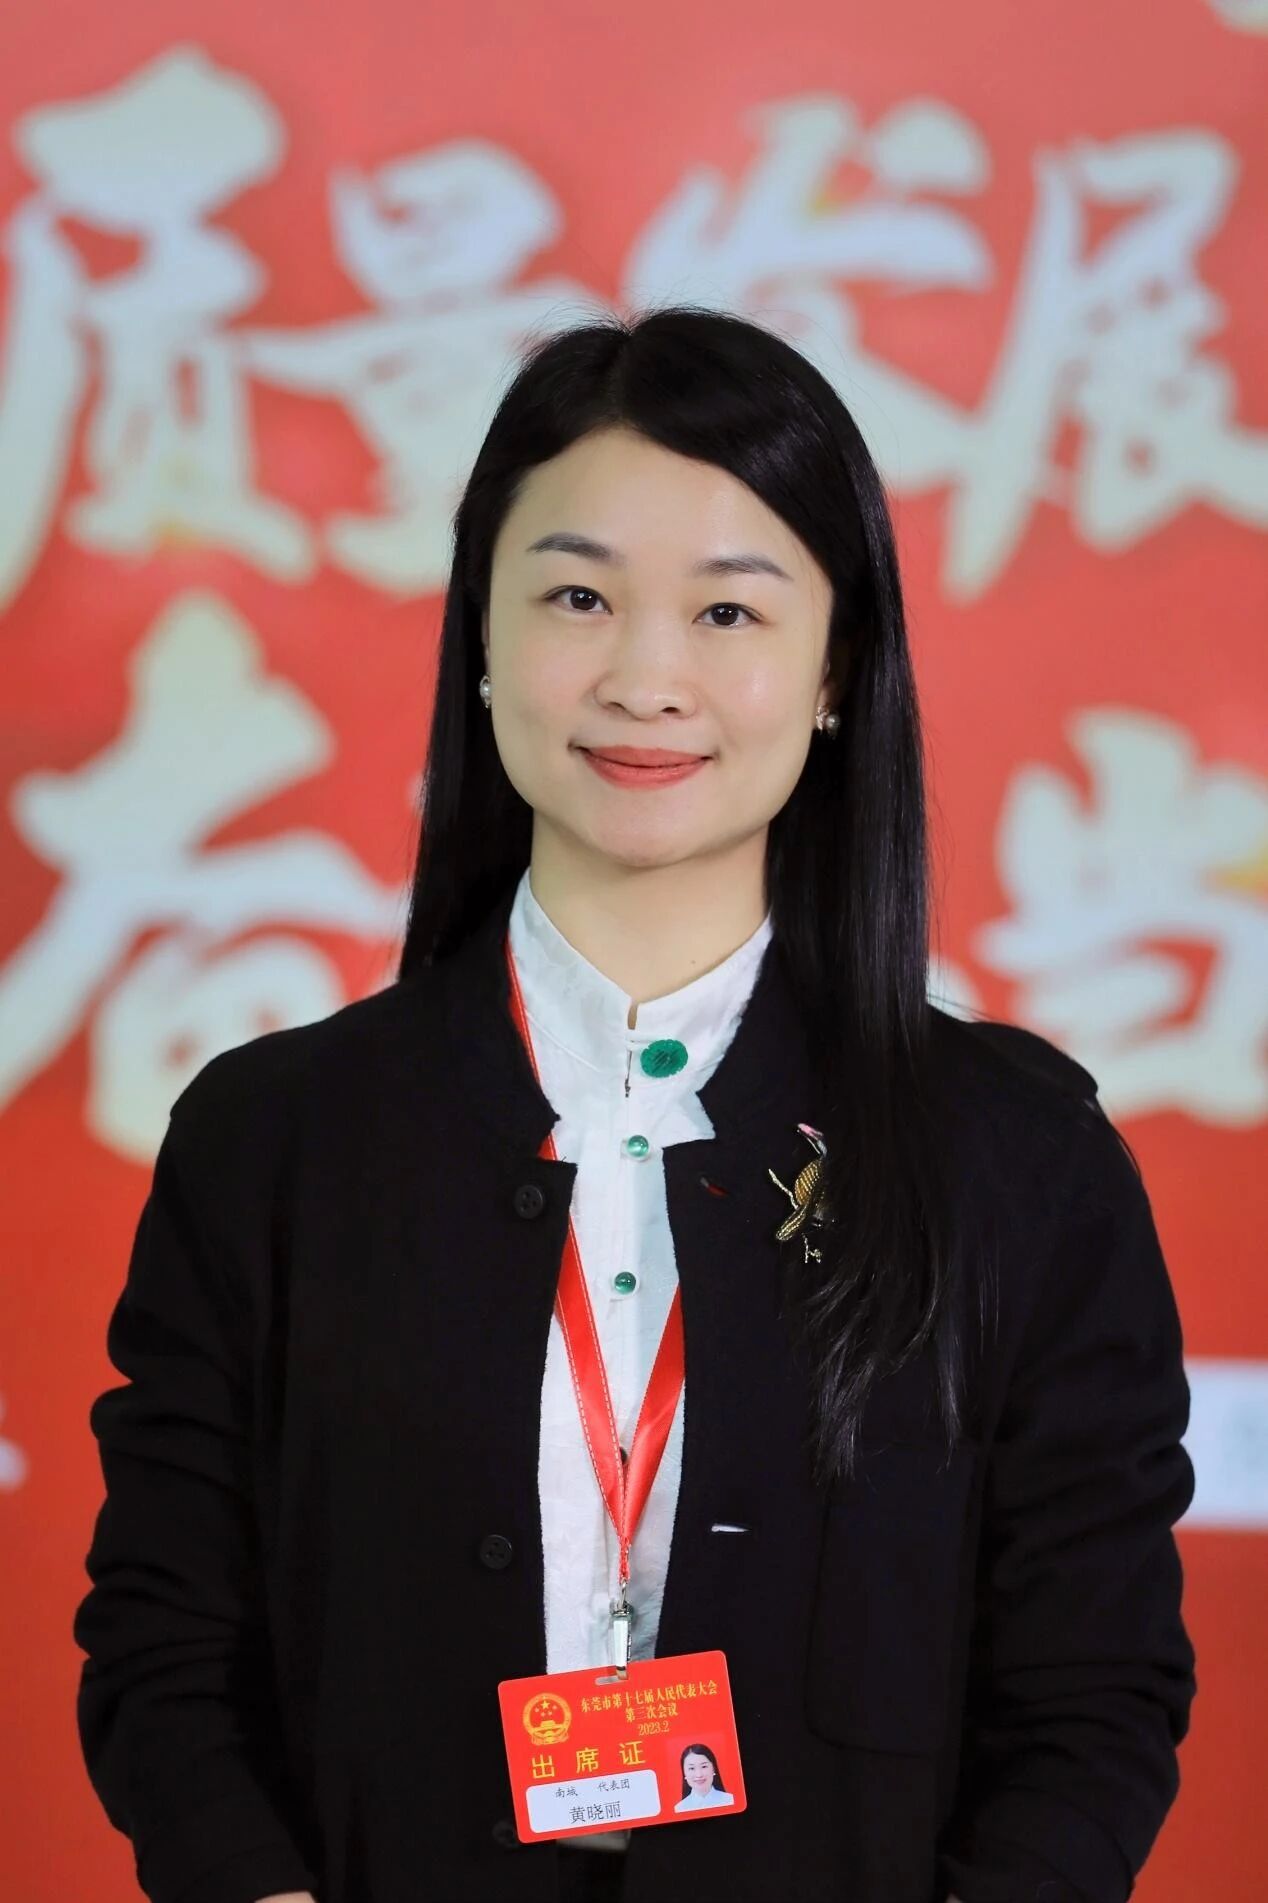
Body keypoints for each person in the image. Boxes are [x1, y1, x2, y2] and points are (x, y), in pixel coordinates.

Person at [73, 305, 1196, 1903]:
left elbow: (1093, 1695)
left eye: (729, 609)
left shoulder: (1016, 1156)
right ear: (480, 634)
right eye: (578, 596)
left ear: (835, 668)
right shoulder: (274, 1138)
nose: (646, 677)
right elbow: (166, 1644)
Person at [673, 1744, 735, 1811]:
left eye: (704, 1766)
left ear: (713, 1769)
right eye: (691, 1768)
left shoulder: (730, 1800)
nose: (699, 1775)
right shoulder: (679, 1808)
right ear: (684, 1773)